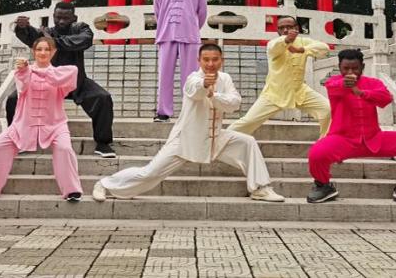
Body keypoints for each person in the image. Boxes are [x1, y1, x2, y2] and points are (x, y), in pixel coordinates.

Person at [93, 43, 285, 203]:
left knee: (247, 142)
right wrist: (205, 86)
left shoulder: (226, 78)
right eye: (206, 60)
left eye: (215, 59)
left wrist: (214, 95)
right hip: (185, 140)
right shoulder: (192, 78)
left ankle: (260, 188)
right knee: (150, 173)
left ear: (222, 60)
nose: (211, 64)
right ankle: (105, 184)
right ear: (199, 61)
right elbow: (195, 91)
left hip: (215, 138)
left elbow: (234, 103)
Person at [306, 49, 396, 206]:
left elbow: (386, 99)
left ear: (363, 67)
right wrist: (346, 85)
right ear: (339, 67)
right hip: (343, 139)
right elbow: (335, 88)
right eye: (346, 68)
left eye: (355, 68)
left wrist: (361, 93)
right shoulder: (333, 82)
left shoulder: (373, 83)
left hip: (374, 138)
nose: (350, 72)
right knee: (316, 153)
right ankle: (323, 185)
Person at [0, 36, 82, 202]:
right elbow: (22, 86)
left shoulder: (61, 73)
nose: (43, 52)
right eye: (39, 49)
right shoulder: (24, 72)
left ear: (53, 52)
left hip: (55, 124)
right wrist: (25, 70)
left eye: (47, 49)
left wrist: (39, 71)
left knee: (65, 149)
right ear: (33, 52)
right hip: (23, 124)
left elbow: (69, 74)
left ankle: (72, 191)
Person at [10, 1, 116, 158]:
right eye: (58, 17)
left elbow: (83, 41)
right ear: (53, 16)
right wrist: (23, 27)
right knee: (14, 99)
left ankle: (103, 143)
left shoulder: (82, 29)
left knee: (103, 98)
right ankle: (18, 140)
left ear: (74, 18)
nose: (61, 21)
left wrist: (53, 41)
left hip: (76, 82)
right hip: (46, 82)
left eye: (65, 18)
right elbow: (32, 37)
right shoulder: (47, 32)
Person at [229, 16, 332, 138]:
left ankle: (324, 144)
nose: (285, 30)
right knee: (248, 121)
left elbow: (324, 48)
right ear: (277, 30)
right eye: (281, 28)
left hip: (300, 91)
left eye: (289, 27)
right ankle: (222, 141)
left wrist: (302, 49)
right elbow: (275, 48)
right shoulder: (273, 44)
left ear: (296, 28)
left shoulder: (304, 42)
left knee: (328, 110)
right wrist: (287, 40)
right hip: (274, 93)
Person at [152, 0, 208, 122]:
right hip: (166, 35)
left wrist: (192, 27)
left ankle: (189, 112)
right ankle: (163, 112)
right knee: (164, 76)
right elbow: (157, 11)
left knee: (191, 77)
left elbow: (202, 13)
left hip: (190, 36)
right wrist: (166, 26)